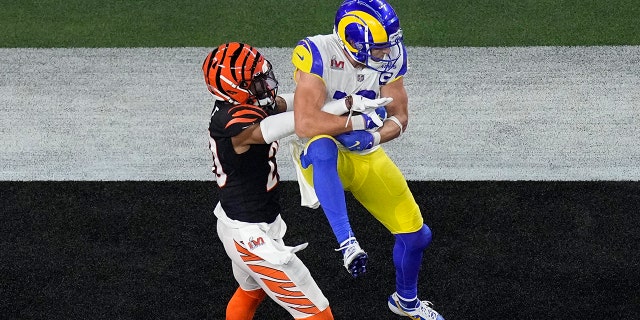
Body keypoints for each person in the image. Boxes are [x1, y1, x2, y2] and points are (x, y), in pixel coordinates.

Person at [288, 1, 446, 319]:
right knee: (322, 145)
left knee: (417, 237)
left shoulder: (390, 56)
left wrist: (374, 137)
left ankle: (406, 302)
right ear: (353, 43)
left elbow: (399, 116)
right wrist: (357, 124)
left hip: (365, 154)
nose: (387, 53)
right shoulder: (317, 52)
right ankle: (347, 243)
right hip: (320, 161)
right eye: (379, 47)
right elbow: (305, 123)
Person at [203, 42, 335, 320]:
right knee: (318, 314)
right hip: (251, 237)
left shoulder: (242, 104)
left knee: (252, 292)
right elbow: (297, 121)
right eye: (257, 82)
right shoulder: (234, 122)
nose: (266, 85)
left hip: (237, 223)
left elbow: (294, 104)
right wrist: (342, 108)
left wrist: (331, 97)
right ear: (234, 87)